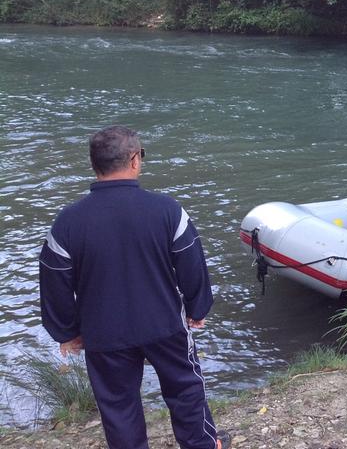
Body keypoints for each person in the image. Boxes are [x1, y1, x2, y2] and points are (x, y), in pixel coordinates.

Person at [39, 126, 229, 449]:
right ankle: (202, 444)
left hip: (104, 333)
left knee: (118, 406)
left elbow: (53, 278)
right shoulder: (167, 211)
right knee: (185, 389)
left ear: (94, 165)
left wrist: (67, 331)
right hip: (165, 325)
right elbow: (191, 262)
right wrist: (198, 308)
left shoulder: (67, 222)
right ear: (134, 160)